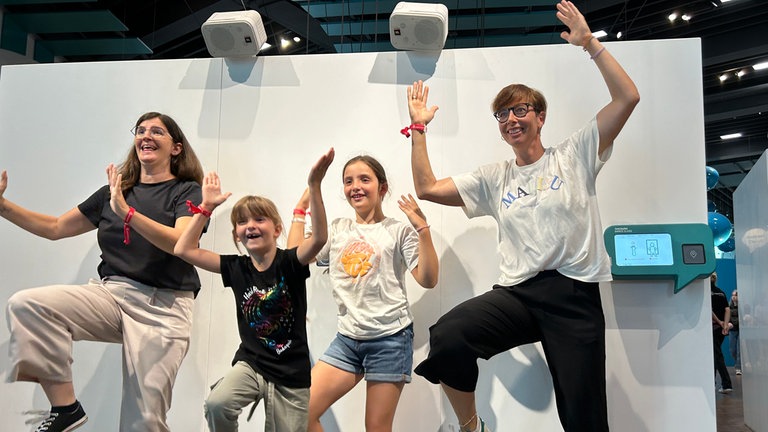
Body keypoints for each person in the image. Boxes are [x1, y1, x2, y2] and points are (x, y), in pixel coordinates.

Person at [402, 1, 640, 431]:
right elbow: (427, 188)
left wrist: (590, 45)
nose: (511, 119)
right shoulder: (495, 178)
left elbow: (628, 97)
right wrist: (418, 128)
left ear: (540, 116)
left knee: (584, 417)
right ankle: (471, 425)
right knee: (449, 336)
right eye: (503, 114)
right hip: (519, 294)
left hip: (574, 296)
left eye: (521, 110)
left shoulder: (576, 154)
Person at [2, 112, 205, 432]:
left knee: (145, 421)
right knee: (27, 305)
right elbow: (55, 227)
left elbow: (180, 242)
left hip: (162, 306)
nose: (146, 136)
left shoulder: (187, 191)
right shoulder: (115, 191)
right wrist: (2, 206)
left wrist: (128, 213)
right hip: (111, 294)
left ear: (176, 148)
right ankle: (65, 409)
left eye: (157, 132)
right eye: (140, 131)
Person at [173, 148, 334, 432]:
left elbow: (319, 237)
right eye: (242, 222)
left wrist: (315, 186)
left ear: (276, 229)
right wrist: (205, 209)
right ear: (236, 233)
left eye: (259, 220)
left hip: (290, 373)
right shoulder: (236, 268)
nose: (250, 226)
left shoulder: (290, 262)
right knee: (217, 404)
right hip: (252, 364)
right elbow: (183, 249)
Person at [288, 155, 439, 432]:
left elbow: (428, 279)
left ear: (382, 188)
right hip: (348, 339)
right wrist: (299, 211)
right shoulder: (336, 230)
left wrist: (423, 230)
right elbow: (294, 257)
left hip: (390, 339)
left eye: (364, 179)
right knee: (300, 412)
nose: (355, 186)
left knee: (376, 428)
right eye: (348, 181)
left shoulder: (397, 231)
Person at [710, 272, 733, 393]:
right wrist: (725, 324)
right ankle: (712, 382)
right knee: (714, 356)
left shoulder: (706, 293)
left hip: (713, 328)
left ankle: (726, 384)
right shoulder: (721, 292)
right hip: (721, 330)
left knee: (717, 356)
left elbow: (709, 310)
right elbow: (727, 309)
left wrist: (719, 322)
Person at [729, 289, 741, 375]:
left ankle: (738, 367)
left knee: (739, 350)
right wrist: (728, 323)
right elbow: (726, 315)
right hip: (732, 330)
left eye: (735, 295)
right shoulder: (729, 306)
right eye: (733, 295)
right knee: (733, 350)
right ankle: (737, 362)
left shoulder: (742, 306)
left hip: (740, 330)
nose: (734, 297)